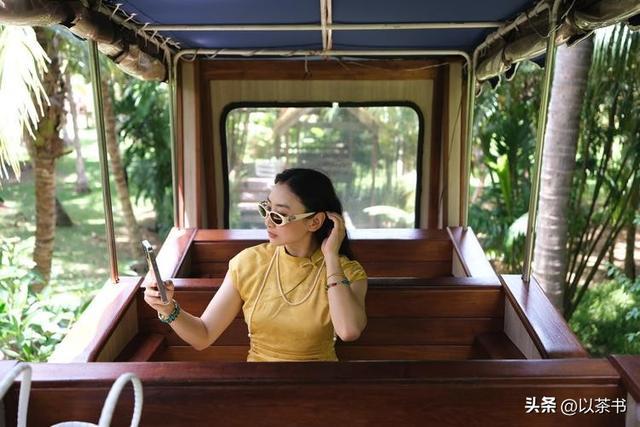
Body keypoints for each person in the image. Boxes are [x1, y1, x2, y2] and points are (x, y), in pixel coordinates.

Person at [144, 168, 368, 361]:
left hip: (320, 386)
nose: (268, 221)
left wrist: (331, 257)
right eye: (266, 209)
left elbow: (349, 331)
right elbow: (203, 335)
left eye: (279, 216)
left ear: (315, 222)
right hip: (258, 382)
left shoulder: (347, 272)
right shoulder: (249, 263)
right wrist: (168, 308)